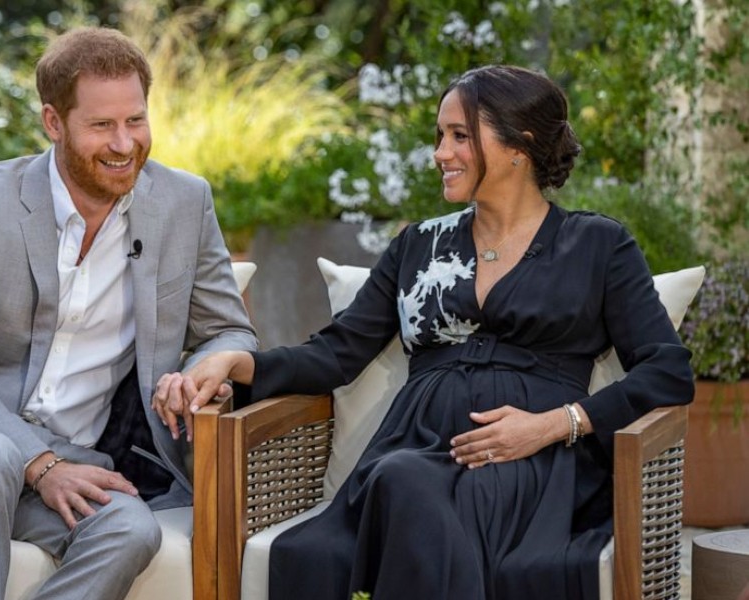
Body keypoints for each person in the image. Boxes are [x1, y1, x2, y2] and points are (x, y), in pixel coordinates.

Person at [174, 65, 695, 600]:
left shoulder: (597, 245)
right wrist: (238, 364)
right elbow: (336, 353)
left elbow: (668, 370)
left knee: (406, 486)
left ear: (522, 146)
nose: (441, 153)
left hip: (529, 462)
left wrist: (554, 425)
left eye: (460, 136)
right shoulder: (418, 245)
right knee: (399, 481)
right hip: (413, 448)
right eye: (440, 136)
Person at [0, 26, 256, 599]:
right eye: (101, 125)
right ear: (52, 122)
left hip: (71, 456)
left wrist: (209, 364)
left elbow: (228, 328)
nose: (124, 143)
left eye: (135, 120)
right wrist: (37, 463)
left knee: (130, 529)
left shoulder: (185, 203)